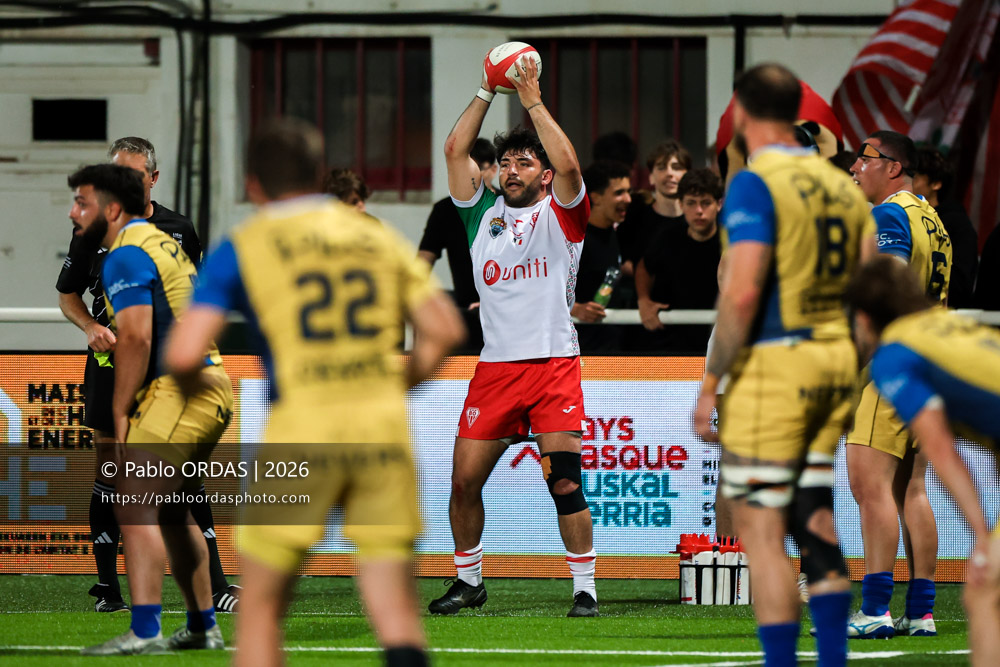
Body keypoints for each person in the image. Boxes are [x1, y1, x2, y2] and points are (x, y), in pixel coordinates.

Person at [165, 118, 465, 667]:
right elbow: (443, 329)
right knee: (395, 609)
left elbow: (184, 352)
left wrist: (191, 390)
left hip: (299, 433)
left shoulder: (246, 244)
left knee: (259, 608)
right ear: (317, 176)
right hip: (381, 430)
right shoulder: (372, 234)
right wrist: (399, 380)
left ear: (253, 185)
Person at [692, 63, 875, 666]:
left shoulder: (755, 182)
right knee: (815, 514)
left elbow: (741, 293)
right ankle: (832, 659)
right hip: (835, 366)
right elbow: (871, 292)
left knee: (762, 530)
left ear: (741, 112)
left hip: (776, 365)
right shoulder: (845, 187)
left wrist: (711, 383)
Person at [430, 52, 598, 618]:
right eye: (505, 163)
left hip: (553, 365)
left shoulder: (563, 214)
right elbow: (455, 151)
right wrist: (485, 88)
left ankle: (584, 589)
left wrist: (531, 100)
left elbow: (572, 168)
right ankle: (469, 580)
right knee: (462, 482)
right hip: (497, 368)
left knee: (565, 484)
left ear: (542, 175)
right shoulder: (481, 217)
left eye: (524, 162)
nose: (512, 170)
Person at [55, 136, 236, 615]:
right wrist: (92, 326)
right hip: (111, 368)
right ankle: (108, 590)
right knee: (112, 472)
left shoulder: (179, 229)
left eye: (134, 176)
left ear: (153, 178)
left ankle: (216, 586)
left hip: (168, 372)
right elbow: (68, 294)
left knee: (186, 475)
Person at [845, 255, 1000, 666]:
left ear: (863, 318)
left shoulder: (895, 356)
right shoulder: (946, 324)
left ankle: (876, 609)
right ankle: (919, 611)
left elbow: (941, 449)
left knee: (988, 589)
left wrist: (981, 537)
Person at [846, 130, 952, 639]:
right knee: (912, 488)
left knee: (871, 488)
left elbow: (887, 284)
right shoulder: (933, 218)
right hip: (930, 365)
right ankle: (923, 611)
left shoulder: (888, 214)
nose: (853, 168)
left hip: (889, 366)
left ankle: (874, 609)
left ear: (892, 167)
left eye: (863, 159)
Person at [418, 137, 496, 351]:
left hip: (505, 312)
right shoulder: (445, 210)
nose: (473, 177)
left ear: (493, 170)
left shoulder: (506, 204)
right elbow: (423, 261)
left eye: (479, 169)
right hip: (466, 313)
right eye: (466, 170)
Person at [636, 168, 722, 326]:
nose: (699, 211)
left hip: (714, 337)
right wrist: (643, 299)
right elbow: (644, 267)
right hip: (669, 338)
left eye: (706, 203)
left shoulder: (731, 242)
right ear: (681, 204)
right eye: (691, 203)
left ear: (719, 204)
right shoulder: (667, 237)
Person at [572, 160, 633, 351]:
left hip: (613, 347)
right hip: (581, 351)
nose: (628, 199)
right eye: (619, 193)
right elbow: (544, 286)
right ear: (596, 198)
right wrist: (574, 309)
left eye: (628, 192)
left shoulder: (618, 233)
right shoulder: (574, 239)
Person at [912, 145, 978, 308]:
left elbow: (959, 285)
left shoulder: (957, 225)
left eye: (915, 175)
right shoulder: (905, 216)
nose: (908, 182)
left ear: (936, 183)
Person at [617, 139, 690, 271]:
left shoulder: (697, 217)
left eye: (677, 167)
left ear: (688, 174)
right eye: (662, 168)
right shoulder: (635, 217)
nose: (670, 173)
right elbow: (621, 260)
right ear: (651, 176)